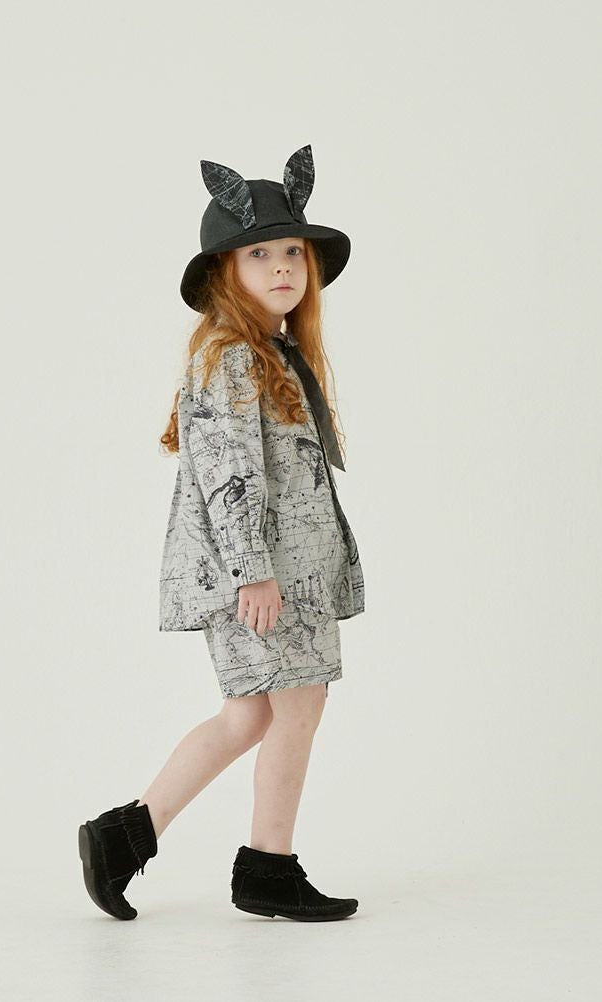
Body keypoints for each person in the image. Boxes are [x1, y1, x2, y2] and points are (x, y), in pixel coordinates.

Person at [78, 144, 366, 922]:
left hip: (288, 570)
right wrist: (252, 570)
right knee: (294, 705)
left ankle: (125, 839)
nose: (282, 267)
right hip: (264, 576)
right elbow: (228, 474)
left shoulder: (275, 352)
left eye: (292, 252)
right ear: (225, 272)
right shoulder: (231, 357)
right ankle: (266, 867)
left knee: (255, 713)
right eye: (259, 254)